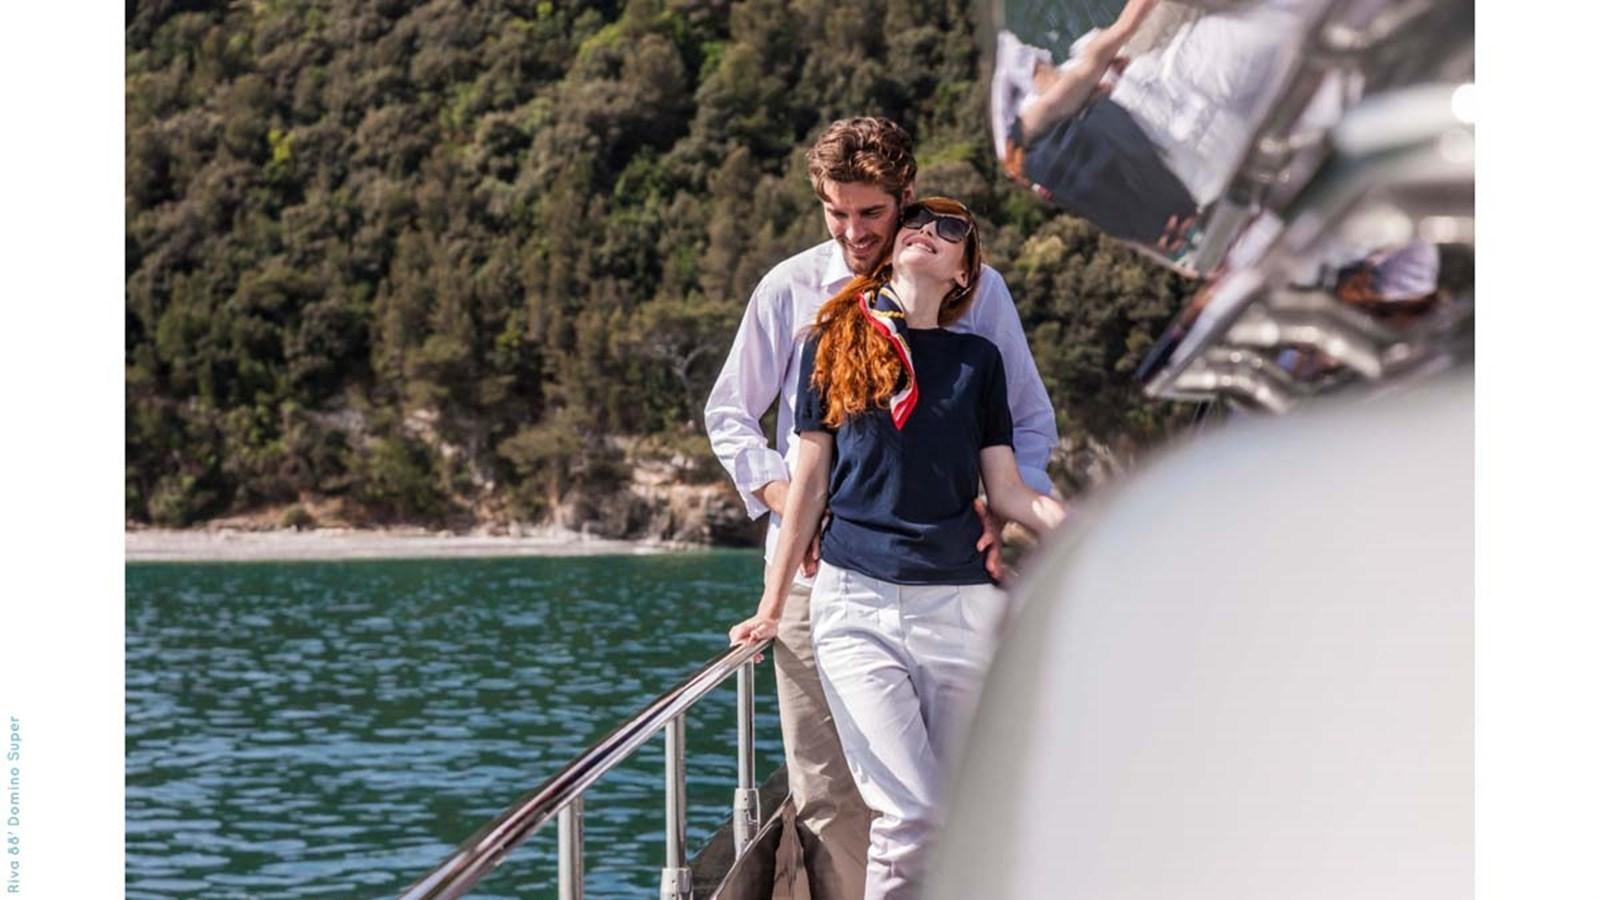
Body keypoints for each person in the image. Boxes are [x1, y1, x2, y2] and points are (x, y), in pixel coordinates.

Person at [703, 118, 1058, 900]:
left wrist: (1003, 514)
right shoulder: (791, 289)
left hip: (950, 578)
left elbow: (1027, 423)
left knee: (957, 792)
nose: (856, 232)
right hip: (813, 584)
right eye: (839, 214)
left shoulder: (976, 293)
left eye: (872, 213)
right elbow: (729, 415)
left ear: (904, 197)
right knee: (833, 797)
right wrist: (785, 500)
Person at [992, 0, 1320, 244]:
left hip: (1210, 173)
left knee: (1317, 61)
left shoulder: (1023, 157)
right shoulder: (1025, 110)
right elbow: (1095, 58)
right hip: (1182, 99)